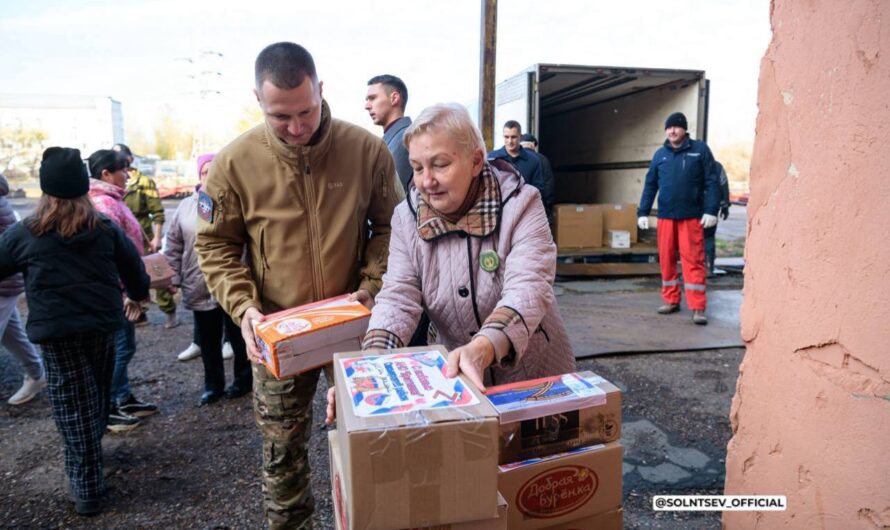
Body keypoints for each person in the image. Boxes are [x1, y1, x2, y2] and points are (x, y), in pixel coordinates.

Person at [195, 42, 400, 529]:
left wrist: (372, 285)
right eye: (280, 116)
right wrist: (244, 309)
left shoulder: (365, 149)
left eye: (305, 111)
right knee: (282, 458)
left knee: (376, 444)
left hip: (357, 330)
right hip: (276, 333)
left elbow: (393, 228)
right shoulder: (234, 163)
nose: (296, 127)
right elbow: (216, 247)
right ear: (257, 100)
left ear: (321, 89)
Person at [325, 103, 576, 424]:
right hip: (459, 378)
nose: (426, 181)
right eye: (417, 168)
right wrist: (365, 370)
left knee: (540, 467)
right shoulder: (406, 217)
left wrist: (484, 346)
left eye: (440, 164)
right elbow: (398, 298)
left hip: (533, 374)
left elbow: (529, 289)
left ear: (475, 161)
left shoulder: (521, 203)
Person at [0, 147, 149, 516]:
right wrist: (139, 294)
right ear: (83, 188)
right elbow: (136, 273)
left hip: (56, 331)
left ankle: (87, 486)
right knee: (95, 394)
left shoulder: (25, 232)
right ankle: (89, 462)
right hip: (101, 326)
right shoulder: (103, 228)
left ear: (45, 190)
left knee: (71, 401)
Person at [165, 153, 251, 405]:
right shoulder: (187, 206)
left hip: (233, 282)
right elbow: (174, 243)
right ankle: (213, 386)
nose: (210, 177)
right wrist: (172, 275)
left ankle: (243, 381)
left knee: (238, 336)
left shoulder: (238, 202)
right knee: (208, 340)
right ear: (199, 175)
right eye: (205, 172)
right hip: (198, 282)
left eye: (215, 172)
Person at [88, 149, 159, 430]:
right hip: (117, 291)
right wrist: (128, 292)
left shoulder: (110, 199)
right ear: (106, 173)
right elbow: (112, 255)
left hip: (123, 286)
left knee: (123, 344)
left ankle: (122, 397)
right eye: (122, 169)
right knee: (121, 347)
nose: (128, 174)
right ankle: (110, 408)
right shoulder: (104, 205)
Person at [637, 112, 719, 325]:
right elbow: (650, 184)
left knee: (693, 261)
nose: (672, 131)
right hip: (666, 217)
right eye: (669, 127)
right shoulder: (660, 155)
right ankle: (671, 300)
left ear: (684, 129)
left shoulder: (699, 151)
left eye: (676, 127)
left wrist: (711, 210)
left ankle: (698, 307)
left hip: (691, 217)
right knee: (666, 261)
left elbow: (712, 182)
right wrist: (642, 212)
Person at [114, 143, 178, 329]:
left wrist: (156, 237)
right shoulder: (112, 185)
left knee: (157, 274)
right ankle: (139, 314)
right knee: (128, 276)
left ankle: (169, 310)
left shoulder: (143, 183)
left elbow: (157, 212)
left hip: (144, 237)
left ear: (130, 160)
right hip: (124, 238)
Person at [0, 173, 46, 405]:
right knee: (12, 334)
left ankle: (37, 375)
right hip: (6, 279)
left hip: (3, 281)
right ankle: (37, 375)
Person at [488, 121, 552, 219]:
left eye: (513, 137)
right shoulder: (492, 158)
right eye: (506, 137)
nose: (510, 141)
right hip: (498, 215)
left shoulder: (533, 161)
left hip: (524, 216)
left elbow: (538, 190)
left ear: (520, 137)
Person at [365, 74, 413, 193]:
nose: (367, 106)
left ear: (394, 98)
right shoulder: (395, 139)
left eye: (372, 98)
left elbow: (392, 196)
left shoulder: (405, 139)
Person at [519, 132, 556, 224]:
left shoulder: (514, 159)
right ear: (534, 145)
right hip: (538, 210)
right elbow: (549, 187)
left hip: (519, 210)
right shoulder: (543, 160)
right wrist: (547, 206)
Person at [704, 160, 731, 276]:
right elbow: (724, 184)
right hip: (712, 208)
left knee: (692, 239)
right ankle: (709, 268)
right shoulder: (717, 166)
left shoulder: (690, 163)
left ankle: (695, 269)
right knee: (709, 237)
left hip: (693, 208)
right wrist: (725, 205)